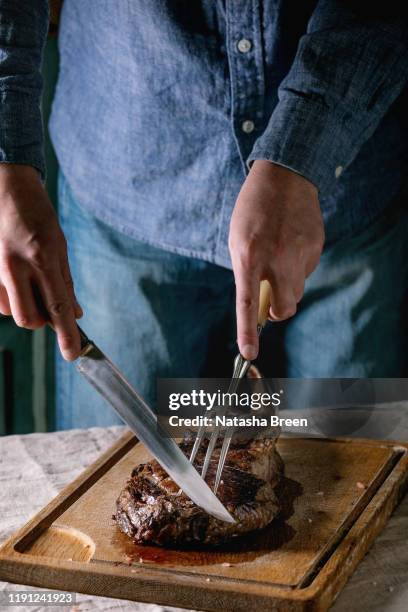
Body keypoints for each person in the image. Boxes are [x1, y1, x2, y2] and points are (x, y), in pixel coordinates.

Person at [0, 1, 407, 429]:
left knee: (357, 461)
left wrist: (302, 155)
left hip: (344, 198)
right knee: (113, 465)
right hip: (126, 193)